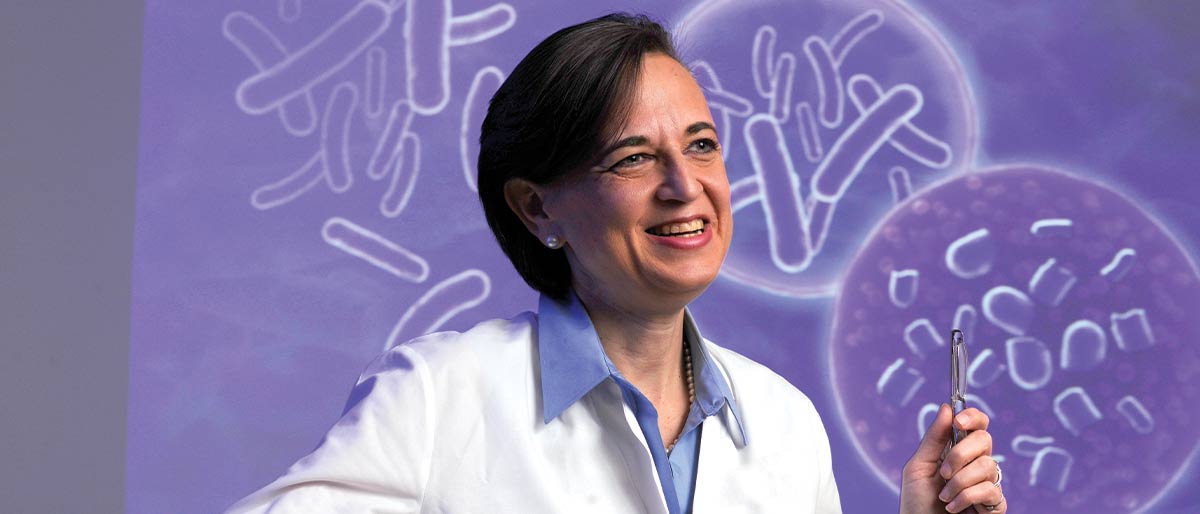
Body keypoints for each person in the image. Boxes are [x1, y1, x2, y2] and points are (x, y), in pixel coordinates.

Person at [227, 13, 1006, 514]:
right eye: (633, 158)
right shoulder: (437, 396)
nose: (685, 187)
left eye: (701, 145)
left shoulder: (784, 425)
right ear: (538, 209)